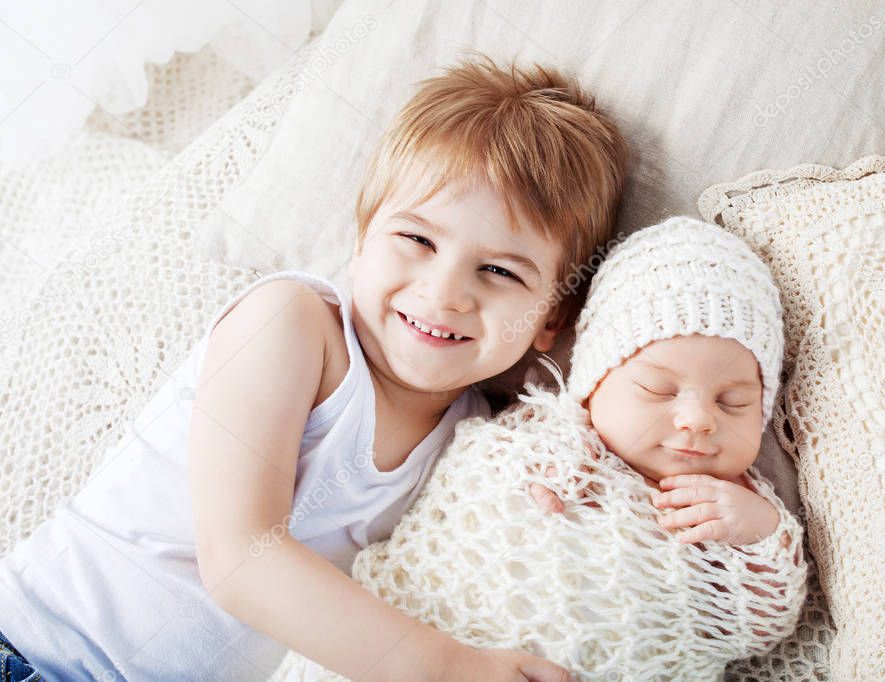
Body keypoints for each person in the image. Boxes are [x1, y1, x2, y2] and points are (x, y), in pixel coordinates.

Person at [0, 53, 628, 681]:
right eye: (418, 240)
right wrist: (450, 668)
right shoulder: (293, 325)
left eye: (499, 271)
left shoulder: (470, 432)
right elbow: (242, 559)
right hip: (38, 648)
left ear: (551, 317)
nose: (444, 293)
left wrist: (565, 460)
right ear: (361, 241)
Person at [350, 216, 808, 679]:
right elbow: (470, 486)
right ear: (592, 384)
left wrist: (762, 535)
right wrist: (534, 475)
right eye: (658, 389)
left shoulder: (736, 504)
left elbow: (764, 626)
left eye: (734, 403)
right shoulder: (545, 436)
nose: (697, 419)